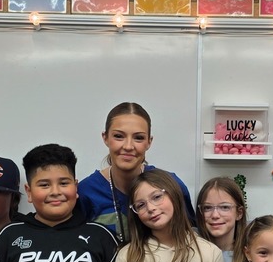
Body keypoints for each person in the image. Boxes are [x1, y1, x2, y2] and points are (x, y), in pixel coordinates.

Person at [78, 101, 195, 244]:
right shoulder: (86, 192)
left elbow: (191, 237)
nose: (128, 146)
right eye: (119, 136)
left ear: (149, 142)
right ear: (105, 138)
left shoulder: (171, 185)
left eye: (138, 138)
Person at [195, 176, 247, 262]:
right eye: (207, 208)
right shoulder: (191, 246)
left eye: (224, 207)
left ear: (239, 213)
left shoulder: (249, 254)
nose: (215, 215)